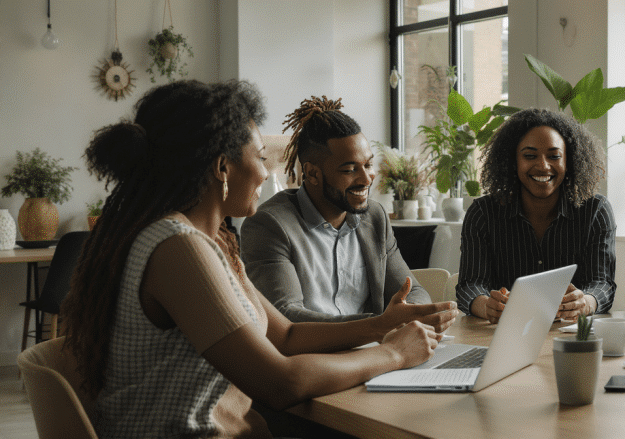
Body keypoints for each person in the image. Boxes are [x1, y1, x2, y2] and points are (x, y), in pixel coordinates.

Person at [60, 80, 448, 438]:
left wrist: (380, 326)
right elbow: (281, 383)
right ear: (222, 168)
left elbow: (286, 336)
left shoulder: (210, 241)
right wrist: (393, 353)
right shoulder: (178, 247)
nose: (266, 174)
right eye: (261, 158)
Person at [239, 96, 455, 328]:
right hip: (318, 349)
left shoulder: (375, 217)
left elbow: (412, 290)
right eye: (350, 170)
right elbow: (285, 314)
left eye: (368, 165)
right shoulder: (270, 225)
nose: (366, 179)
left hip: (378, 345)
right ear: (312, 174)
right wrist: (381, 324)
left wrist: (413, 313)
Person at [456, 108, 616, 323]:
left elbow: (602, 284)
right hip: (504, 333)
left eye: (554, 156)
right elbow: (470, 285)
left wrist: (585, 302)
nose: (543, 165)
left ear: (569, 161)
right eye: (530, 156)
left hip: (570, 334)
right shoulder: (483, 213)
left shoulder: (595, 211)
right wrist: (486, 305)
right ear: (513, 160)